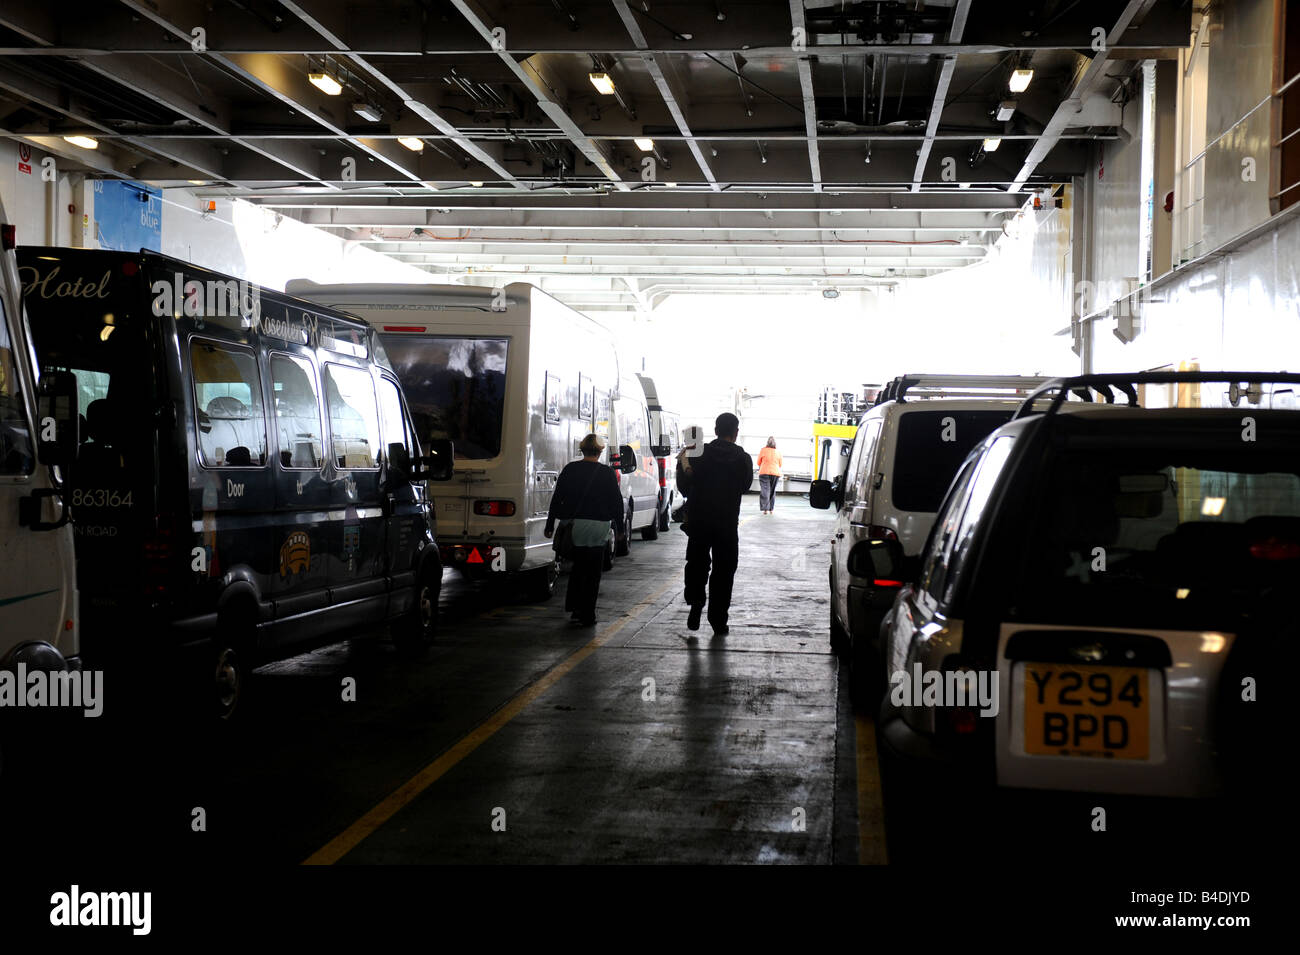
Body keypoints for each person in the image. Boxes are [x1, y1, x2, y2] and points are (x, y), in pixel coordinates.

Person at [676, 413, 754, 635]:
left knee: (697, 563)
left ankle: (696, 602)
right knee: (724, 569)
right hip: (727, 523)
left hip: (700, 521)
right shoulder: (743, 458)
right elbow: (746, 486)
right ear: (736, 432)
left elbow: (684, 486)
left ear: (716, 430)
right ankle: (718, 620)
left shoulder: (699, 455)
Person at [545, 433, 625, 626]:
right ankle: (588, 613)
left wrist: (550, 524)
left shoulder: (570, 469)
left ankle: (574, 608)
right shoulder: (606, 472)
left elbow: (557, 498)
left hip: (575, 526)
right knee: (593, 571)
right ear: (599, 451)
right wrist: (620, 528)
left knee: (578, 567)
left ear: (582, 450)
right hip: (598, 526)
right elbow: (616, 502)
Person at [756, 436, 782, 515]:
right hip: (775, 473)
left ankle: (765, 509)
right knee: (772, 490)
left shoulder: (763, 450)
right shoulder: (778, 452)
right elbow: (780, 464)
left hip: (764, 472)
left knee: (765, 490)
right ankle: (771, 509)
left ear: (767, 443)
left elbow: (758, 462)